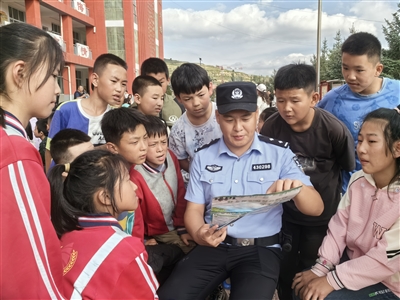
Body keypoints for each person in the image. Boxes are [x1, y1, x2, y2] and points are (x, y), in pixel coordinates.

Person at [158, 82, 324, 300]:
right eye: (229, 119)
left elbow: (316, 208)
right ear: (218, 118)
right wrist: (200, 233)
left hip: (261, 249)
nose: (237, 128)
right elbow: (194, 211)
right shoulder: (203, 157)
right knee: (170, 296)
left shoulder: (279, 154)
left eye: (245, 118)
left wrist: (298, 188)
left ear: (256, 116)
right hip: (214, 245)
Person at [260, 64, 355, 300]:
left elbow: (346, 167)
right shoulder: (272, 127)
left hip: (322, 219)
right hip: (285, 217)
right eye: (280, 100)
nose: (286, 108)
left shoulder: (333, 129)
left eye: (294, 100)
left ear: (314, 98)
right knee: (285, 267)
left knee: (312, 269)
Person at [293, 105, 400, 300]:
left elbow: (385, 260)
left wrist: (331, 280)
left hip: (390, 282)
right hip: (353, 264)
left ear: (397, 148)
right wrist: (322, 267)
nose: (361, 149)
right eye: (359, 140)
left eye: (372, 141)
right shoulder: (358, 180)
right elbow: (339, 226)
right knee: (302, 287)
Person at [0, 22, 65, 299]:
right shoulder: (14, 153)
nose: (58, 89)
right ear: (20, 72)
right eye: (53, 76)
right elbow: (32, 273)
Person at [48, 150, 158, 299]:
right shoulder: (126, 249)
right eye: (126, 179)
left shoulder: (66, 234)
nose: (134, 186)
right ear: (105, 197)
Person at [101, 107, 184, 285]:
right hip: (132, 251)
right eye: (135, 142)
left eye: (145, 138)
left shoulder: (165, 160)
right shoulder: (123, 179)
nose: (144, 147)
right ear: (113, 148)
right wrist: (142, 243)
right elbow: (130, 222)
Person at [317, 32, 400, 194]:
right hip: (350, 192)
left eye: (359, 70)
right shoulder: (332, 101)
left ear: (378, 69)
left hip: (394, 191)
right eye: (345, 67)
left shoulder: (397, 93)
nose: (350, 76)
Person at [45, 53, 128, 172]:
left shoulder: (117, 116)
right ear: (95, 80)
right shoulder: (66, 110)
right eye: (114, 81)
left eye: (123, 84)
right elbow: (50, 151)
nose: (119, 89)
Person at [131, 115, 195, 254]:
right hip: (159, 230)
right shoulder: (136, 173)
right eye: (152, 145)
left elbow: (180, 192)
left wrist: (183, 227)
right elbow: (136, 216)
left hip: (178, 223)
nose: (160, 149)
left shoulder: (171, 157)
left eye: (163, 142)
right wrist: (143, 239)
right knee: (190, 252)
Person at [168, 63, 222, 177]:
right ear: (179, 98)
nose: (196, 103)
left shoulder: (225, 115)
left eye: (201, 95)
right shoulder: (178, 130)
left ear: (210, 88)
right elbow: (180, 160)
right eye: (188, 98)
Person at [140, 57, 184, 127]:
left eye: (161, 82)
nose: (157, 86)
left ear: (168, 80)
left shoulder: (178, 106)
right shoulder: (133, 110)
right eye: (152, 82)